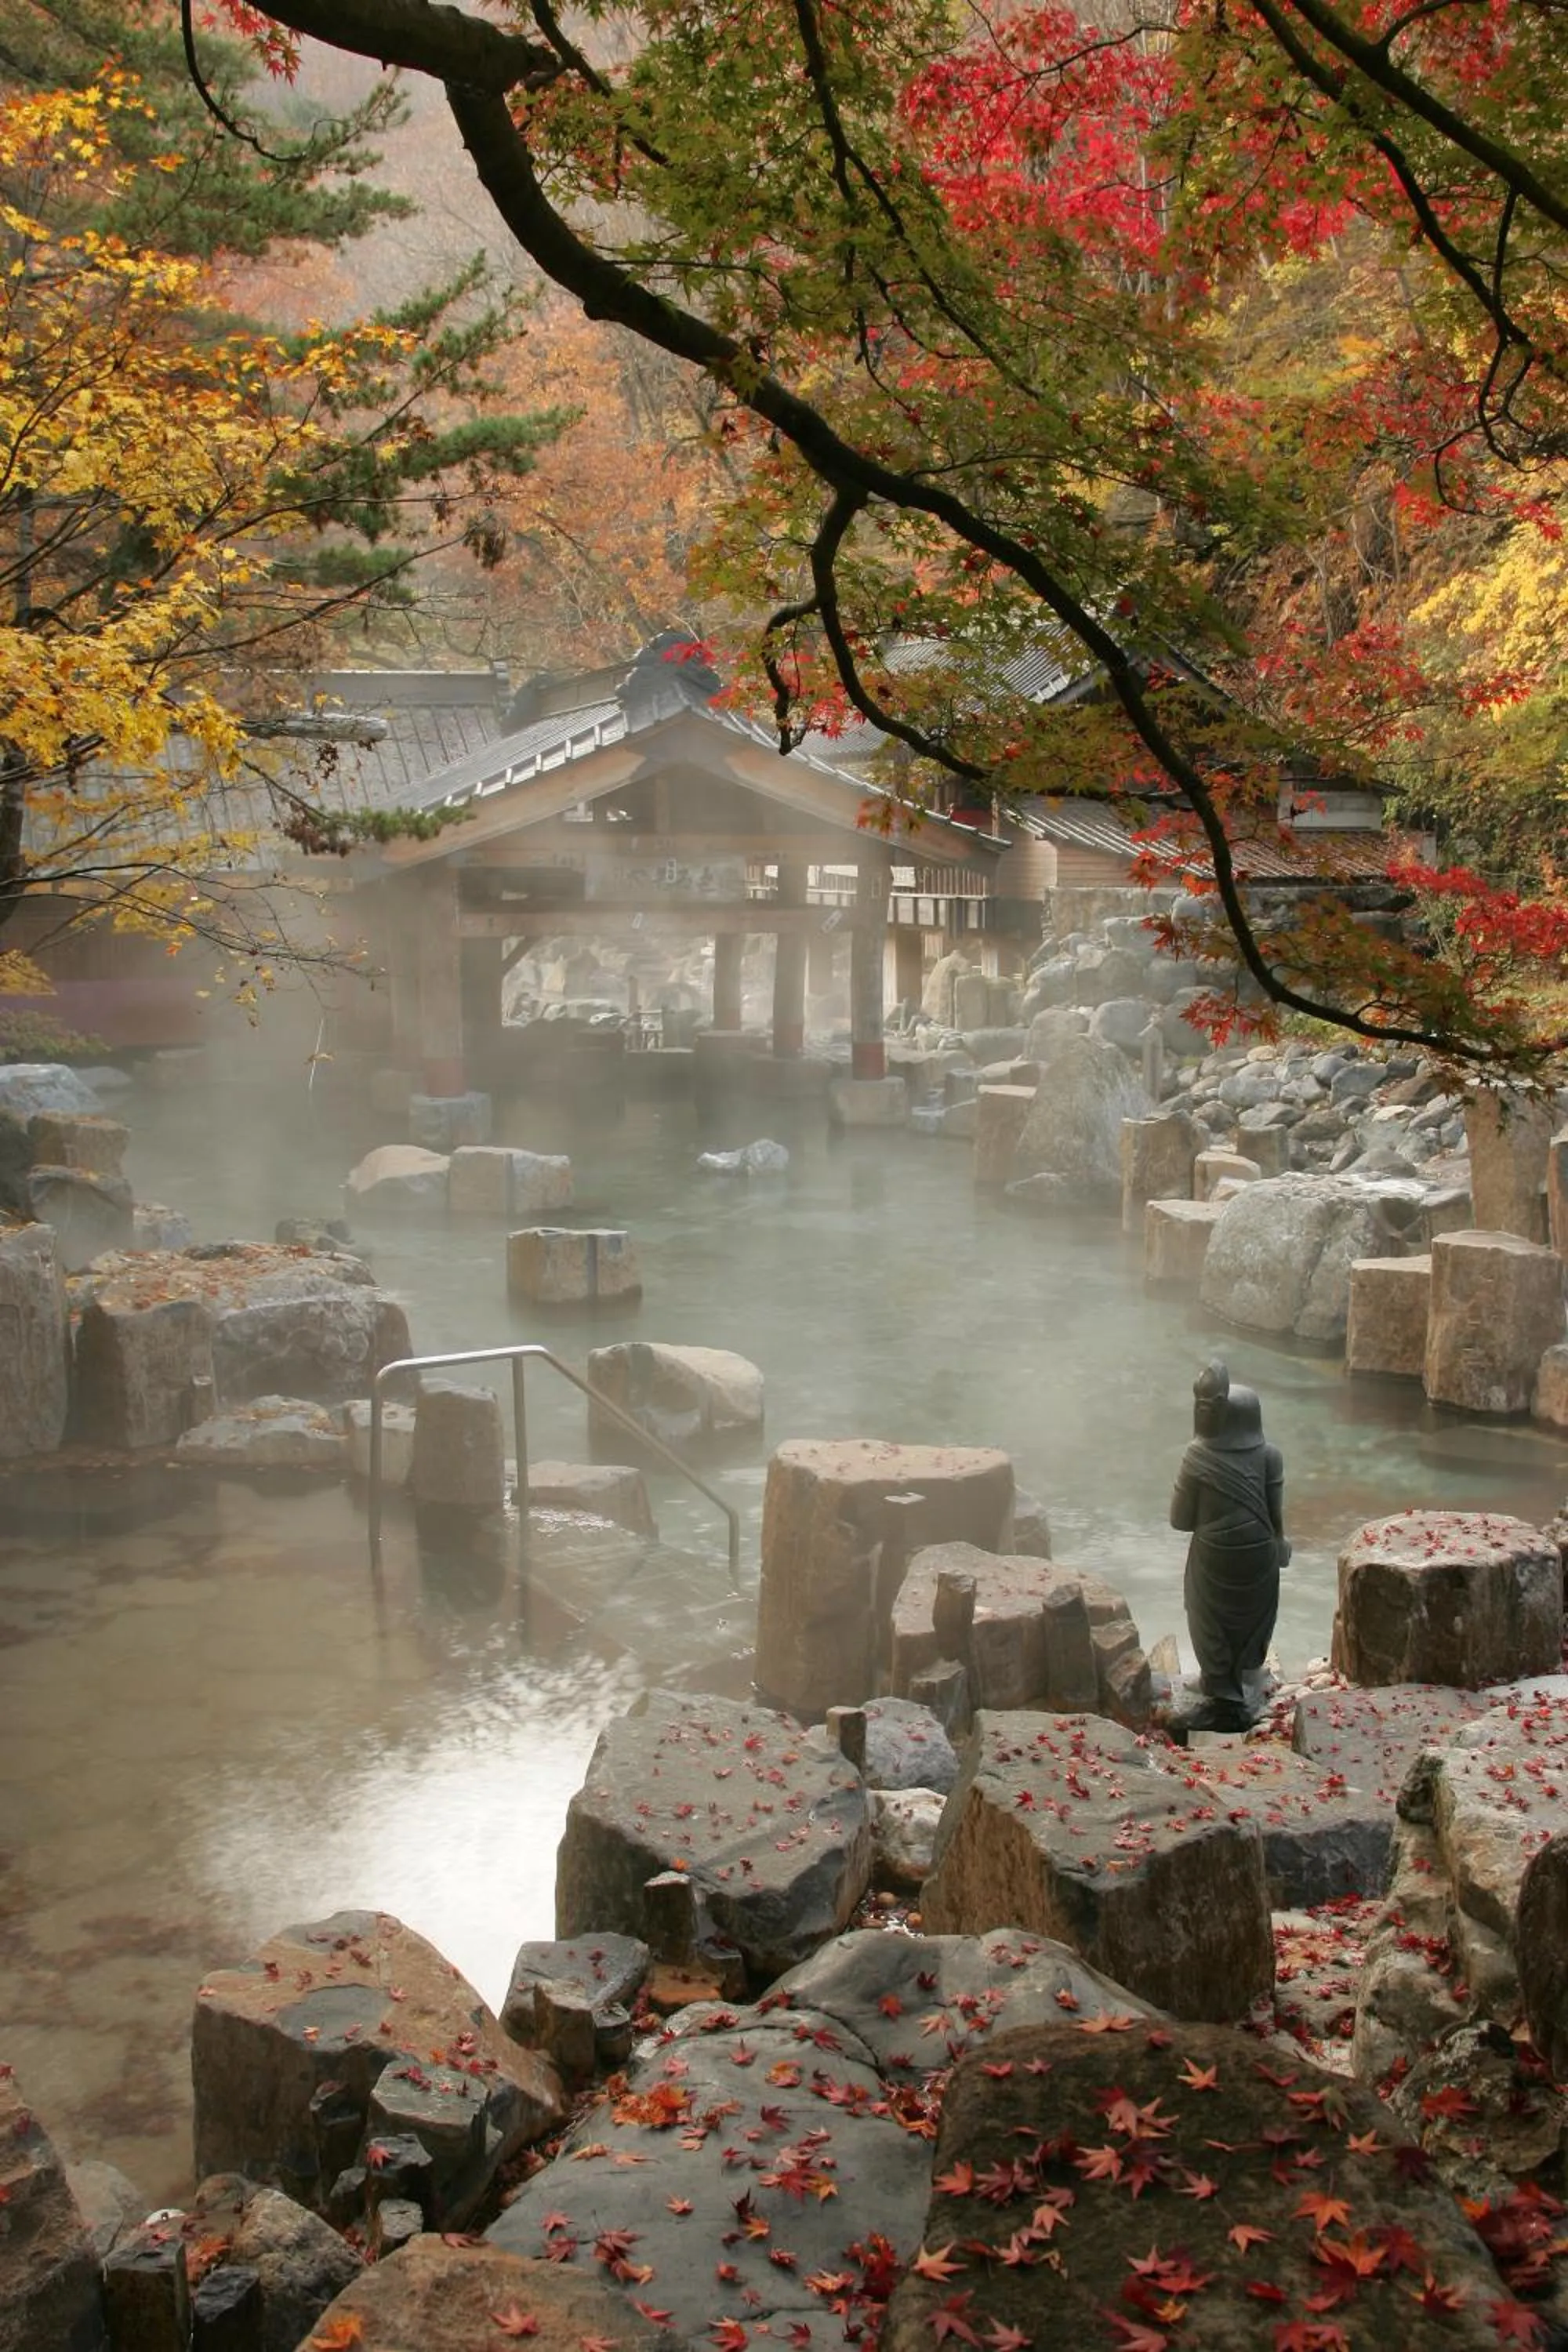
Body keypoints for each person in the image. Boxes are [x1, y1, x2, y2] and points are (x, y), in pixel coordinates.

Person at [1169, 1359, 1290, 1731]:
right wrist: (1279, 1544)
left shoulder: (1197, 1456)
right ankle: (1247, 1675)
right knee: (1252, 1612)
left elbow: (1180, 1520)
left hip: (1213, 1558)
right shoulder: (1270, 1456)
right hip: (1259, 1559)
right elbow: (1275, 1519)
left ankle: (1217, 1681)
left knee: (1207, 1608)